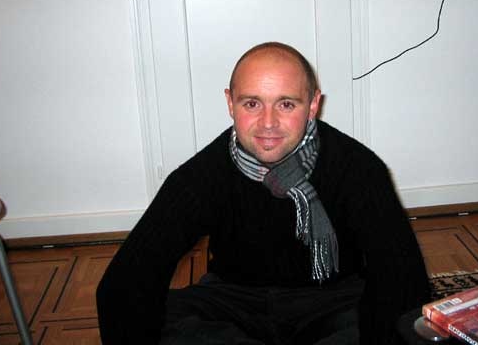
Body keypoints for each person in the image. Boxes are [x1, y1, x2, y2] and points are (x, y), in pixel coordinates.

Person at [97, 42, 431, 345]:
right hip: (232, 300)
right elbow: (125, 280)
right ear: (230, 103)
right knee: (158, 315)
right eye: (252, 103)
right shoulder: (203, 175)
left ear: (313, 104)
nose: (268, 123)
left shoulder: (358, 169)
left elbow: (403, 277)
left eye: (286, 104)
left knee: (394, 317)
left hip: (334, 300)